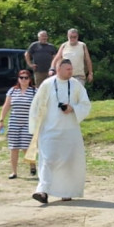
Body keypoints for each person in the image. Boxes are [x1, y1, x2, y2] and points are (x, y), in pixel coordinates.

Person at [28, 59, 91, 204]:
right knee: (48, 160)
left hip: (70, 131)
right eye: (67, 69)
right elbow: (37, 105)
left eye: (71, 69)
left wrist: (73, 108)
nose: (71, 71)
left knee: (68, 162)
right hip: (49, 130)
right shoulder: (47, 84)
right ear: (59, 69)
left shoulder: (75, 85)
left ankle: (66, 191)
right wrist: (35, 126)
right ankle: (42, 191)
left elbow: (85, 104)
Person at [0, 71, 36, 179]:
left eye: (26, 78)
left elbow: (39, 107)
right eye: (21, 77)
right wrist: (1, 120)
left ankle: (32, 164)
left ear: (30, 79)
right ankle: (14, 172)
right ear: (18, 79)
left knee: (26, 147)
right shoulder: (13, 91)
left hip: (28, 123)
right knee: (13, 147)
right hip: (14, 122)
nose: (23, 80)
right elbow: (6, 106)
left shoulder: (34, 91)